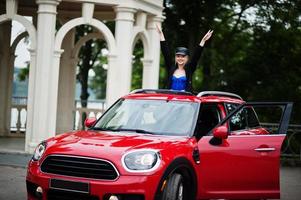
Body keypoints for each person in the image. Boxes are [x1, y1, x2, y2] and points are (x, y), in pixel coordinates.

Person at [156, 24, 213, 92]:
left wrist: (203, 41)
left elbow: (196, 57)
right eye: (178, 56)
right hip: (170, 99)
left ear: (187, 58)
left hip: (185, 100)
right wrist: (161, 34)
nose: (180, 58)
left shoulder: (190, 69)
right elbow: (165, 53)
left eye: (183, 56)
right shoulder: (171, 67)